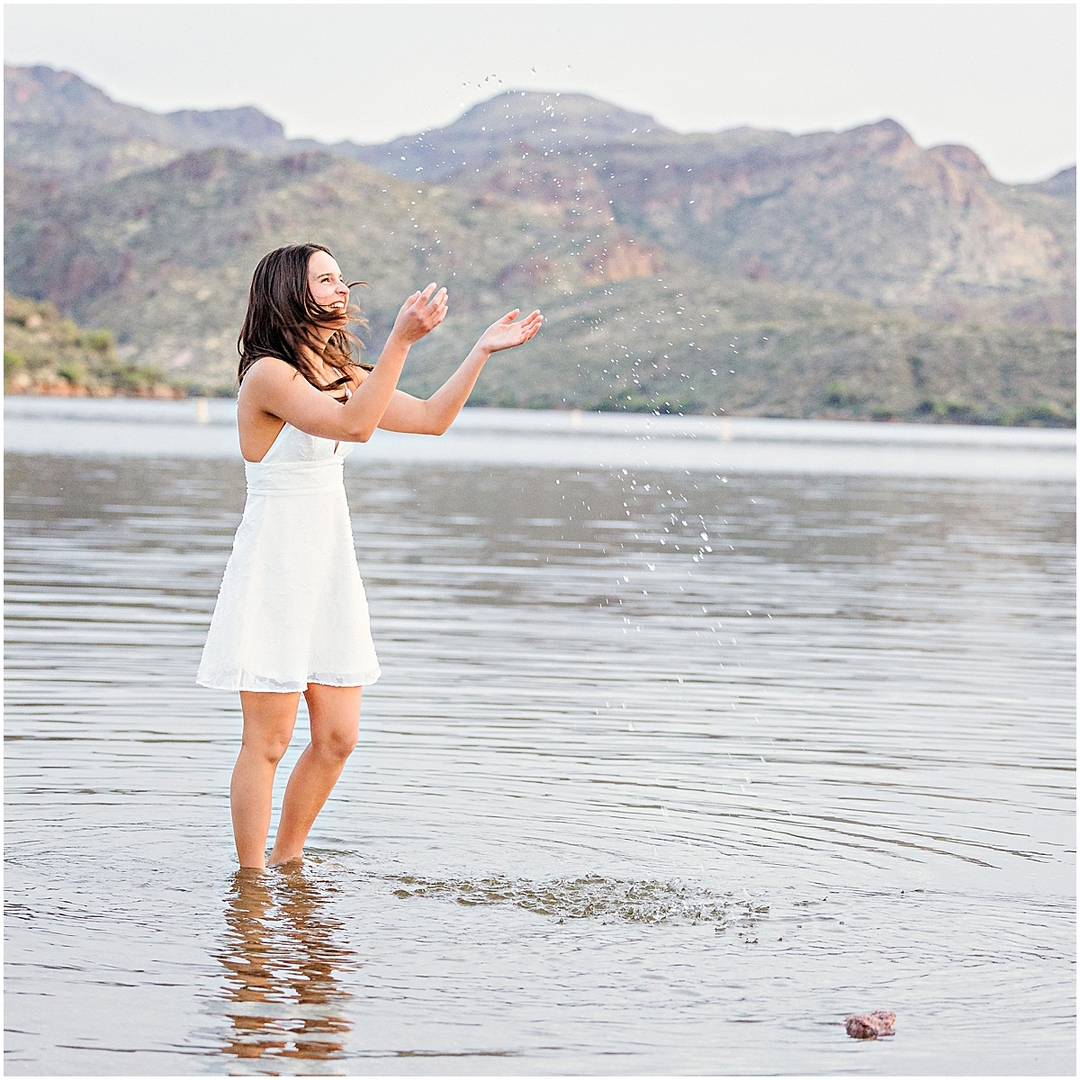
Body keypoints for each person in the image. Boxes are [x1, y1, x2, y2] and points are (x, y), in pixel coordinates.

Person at [197, 243, 542, 869]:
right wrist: (400, 344)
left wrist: (479, 351)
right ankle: (249, 889)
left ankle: (286, 864)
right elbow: (356, 427)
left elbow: (433, 419)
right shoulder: (268, 375)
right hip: (276, 565)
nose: (340, 290)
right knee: (269, 743)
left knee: (337, 738)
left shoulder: (343, 373)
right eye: (324, 280)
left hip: (329, 565)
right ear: (287, 293)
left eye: (339, 278)